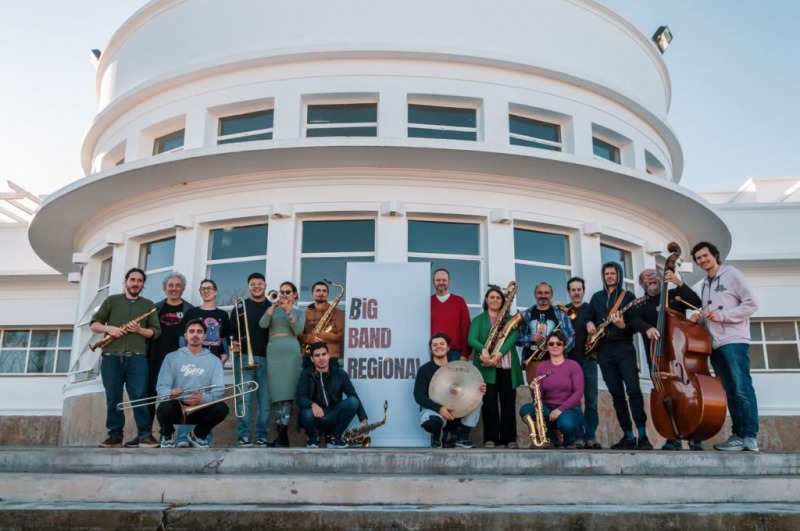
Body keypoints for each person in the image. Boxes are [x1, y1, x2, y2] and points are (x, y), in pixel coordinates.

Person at [690, 241, 760, 452]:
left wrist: (724, 316)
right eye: (698, 258)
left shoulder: (732, 274)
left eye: (705, 256)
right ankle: (737, 435)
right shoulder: (705, 283)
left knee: (742, 388)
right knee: (730, 391)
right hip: (716, 345)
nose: (703, 260)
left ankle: (749, 436)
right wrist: (698, 319)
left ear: (715, 255)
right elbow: (710, 314)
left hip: (734, 341)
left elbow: (751, 304)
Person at [632, 268, 705, 451]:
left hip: (680, 356)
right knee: (666, 396)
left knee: (688, 395)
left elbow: (696, 303)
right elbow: (634, 320)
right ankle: (673, 436)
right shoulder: (641, 304)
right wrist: (647, 328)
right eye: (645, 277)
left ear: (661, 279)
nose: (650, 279)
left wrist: (679, 283)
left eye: (654, 275)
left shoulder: (674, 295)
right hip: (657, 357)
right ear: (642, 284)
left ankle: (695, 436)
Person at [90, 267, 161, 448]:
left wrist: (138, 330)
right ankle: (114, 436)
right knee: (113, 397)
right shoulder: (111, 301)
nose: (135, 283)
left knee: (139, 396)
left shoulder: (148, 305)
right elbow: (94, 324)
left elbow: (156, 332)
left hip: (136, 359)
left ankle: (145, 435)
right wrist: (111, 329)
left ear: (143, 284)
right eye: (132, 280)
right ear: (125, 281)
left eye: (139, 281)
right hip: (111, 357)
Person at [585, 262, 652, 450]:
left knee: (634, 391)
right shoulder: (597, 297)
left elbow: (635, 324)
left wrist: (624, 326)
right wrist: (589, 324)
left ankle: (643, 436)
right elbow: (588, 316)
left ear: (619, 275)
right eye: (606, 273)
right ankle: (628, 436)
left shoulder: (629, 297)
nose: (609, 276)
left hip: (624, 349)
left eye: (612, 273)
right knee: (617, 395)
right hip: (604, 352)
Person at [155, 318, 229, 448]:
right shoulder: (171, 357)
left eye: (199, 332)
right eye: (192, 331)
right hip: (177, 405)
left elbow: (219, 390)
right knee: (163, 408)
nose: (195, 335)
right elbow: (161, 386)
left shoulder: (214, 361)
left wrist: (202, 398)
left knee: (222, 408)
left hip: (200, 406)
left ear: (204, 336)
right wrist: (170, 393)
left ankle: (197, 435)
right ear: (185, 335)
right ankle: (167, 436)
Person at [467, 285, 523, 448]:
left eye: (498, 297)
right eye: (491, 297)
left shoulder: (509, 318)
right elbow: (471, 339)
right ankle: (490, 438)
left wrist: (499, 354)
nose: (495, 300)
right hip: (486, 367)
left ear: (503, 301)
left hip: (506, 366)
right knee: (489, 403)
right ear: (486, 300)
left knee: (508, 402)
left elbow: (513, 337)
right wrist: (483, 349)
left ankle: (509, 439)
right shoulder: (478, 320)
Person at [414, 332, 486, 448]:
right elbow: (418, 396)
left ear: (448, 348)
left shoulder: (458, 367)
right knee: (431, 423)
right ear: (431, 349)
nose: (438, 347)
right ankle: (437, 436)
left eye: (442, 344)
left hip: (457, 414)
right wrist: (439, 408)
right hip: (437, 414)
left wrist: (478, 388)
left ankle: (463, 437)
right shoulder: (425, 370)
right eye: (435, 345)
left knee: (478, 400)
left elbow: (469, 385)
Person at [146, 272, 194, 438]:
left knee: (178, 397)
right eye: (170, 285)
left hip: (180, 362)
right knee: (150, 397)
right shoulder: (155, 308)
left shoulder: (190, 310)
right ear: (165, 288)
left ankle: (170, 434)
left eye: (177, 285)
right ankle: (146, 435)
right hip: (155, 359)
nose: (174, 289)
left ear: (183, 288)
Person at [519, 330, 584, 449]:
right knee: (526, 410)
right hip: (548, 409)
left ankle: (569, 441)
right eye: (551, 344)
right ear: (547, 346)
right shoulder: (542, 366)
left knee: (566, 424)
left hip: (569, 409)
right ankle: (551, 439)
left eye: (559, 344)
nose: (555, 346)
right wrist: (534, 390)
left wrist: (560, 409)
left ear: (564, 346)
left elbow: (578, 393)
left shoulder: (573, 365)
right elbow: (538, 398)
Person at [259, 281, 306, 447]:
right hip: (274, 352)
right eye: (282, 291)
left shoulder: (300, 312)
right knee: (277, 396)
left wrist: (289, 312)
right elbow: (262, 324)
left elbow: (299, 331)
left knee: (287, 396)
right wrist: (273, 307)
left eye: (288, 291)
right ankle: (281, 436)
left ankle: (282, 435)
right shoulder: (273, 310)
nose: (284, 294)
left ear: (294, 295)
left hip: (291, 352)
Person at [296, 342, 367, 448]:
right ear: (312, 359)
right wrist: (312, 405)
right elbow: (300, 397)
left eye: (324, 354)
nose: (321, 358)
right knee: (306, 413)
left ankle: (334, 437)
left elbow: (353, 395)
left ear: (328, 355)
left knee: (353, 401)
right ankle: (313, 437)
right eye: (317, 355)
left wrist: (363, 418)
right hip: (315, 415)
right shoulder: (305, 374)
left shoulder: (340, 374)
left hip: (333, 413)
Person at [229, 272, 272, 448]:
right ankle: (244, 436)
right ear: (248, 286)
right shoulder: (240, 306)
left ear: (265, 285)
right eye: (253, 284)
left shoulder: (272, 306)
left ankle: (261, 435)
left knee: (265, 401)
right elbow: (231, 331)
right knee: (243, 400)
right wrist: (234, 343)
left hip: (268, 359)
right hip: (245, 357)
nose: (256, 286)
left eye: (259, 283)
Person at [564, 276, 601, 449]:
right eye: (573, 290)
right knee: (575, 401)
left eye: (579, 289)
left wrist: (592, 324)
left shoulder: (591, 309)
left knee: (592, 401)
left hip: (589, 361)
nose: (576, 293)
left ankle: (591, 436)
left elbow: (601, 332)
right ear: (569, 292)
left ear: (583, 291)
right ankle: (578, 437)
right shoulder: (564, 312)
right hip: (570, 362)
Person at [516, 282, 575, 382]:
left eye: (546, 293)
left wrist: (559, 350)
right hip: (533, 363)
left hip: (555, 362)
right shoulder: (526, 314)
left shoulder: (561, 314)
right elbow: (517, 338)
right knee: (537, 396)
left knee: (557, 395)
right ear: (535, 295)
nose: (543, 295)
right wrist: (530, 338)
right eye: (540, 293)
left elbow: (571, 336)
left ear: (551, 295)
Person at [183, 278, 231, 365]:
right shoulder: (192, 312)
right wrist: (184, 355)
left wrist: (226, 354)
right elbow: (182, 336)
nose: (206, 291)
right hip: (194, 359)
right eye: (203, 289)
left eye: (209, 288)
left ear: (215, 292)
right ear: (200, 292)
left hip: (216, 359)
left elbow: (223, 337)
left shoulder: (223, 314)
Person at [300, 280, 345, 370]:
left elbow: (340, 336)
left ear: (327, 294)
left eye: (324, 291)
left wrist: (323, 335)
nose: (321, 293)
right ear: (312, 294)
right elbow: (298, 334)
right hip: (309, 357)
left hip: (330, 357)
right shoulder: (304, 313)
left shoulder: (338, 313)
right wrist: (309, 338)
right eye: (318, 290)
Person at [430, 268, 472, 362]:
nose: (441, 282)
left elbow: (466, 329)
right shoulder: (428, 303)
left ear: (449, 281)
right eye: (438, 280)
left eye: (444, 280)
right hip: (434, 352)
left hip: (455, 354)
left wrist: (465, 353)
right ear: (433, 282)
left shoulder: (459, 301)